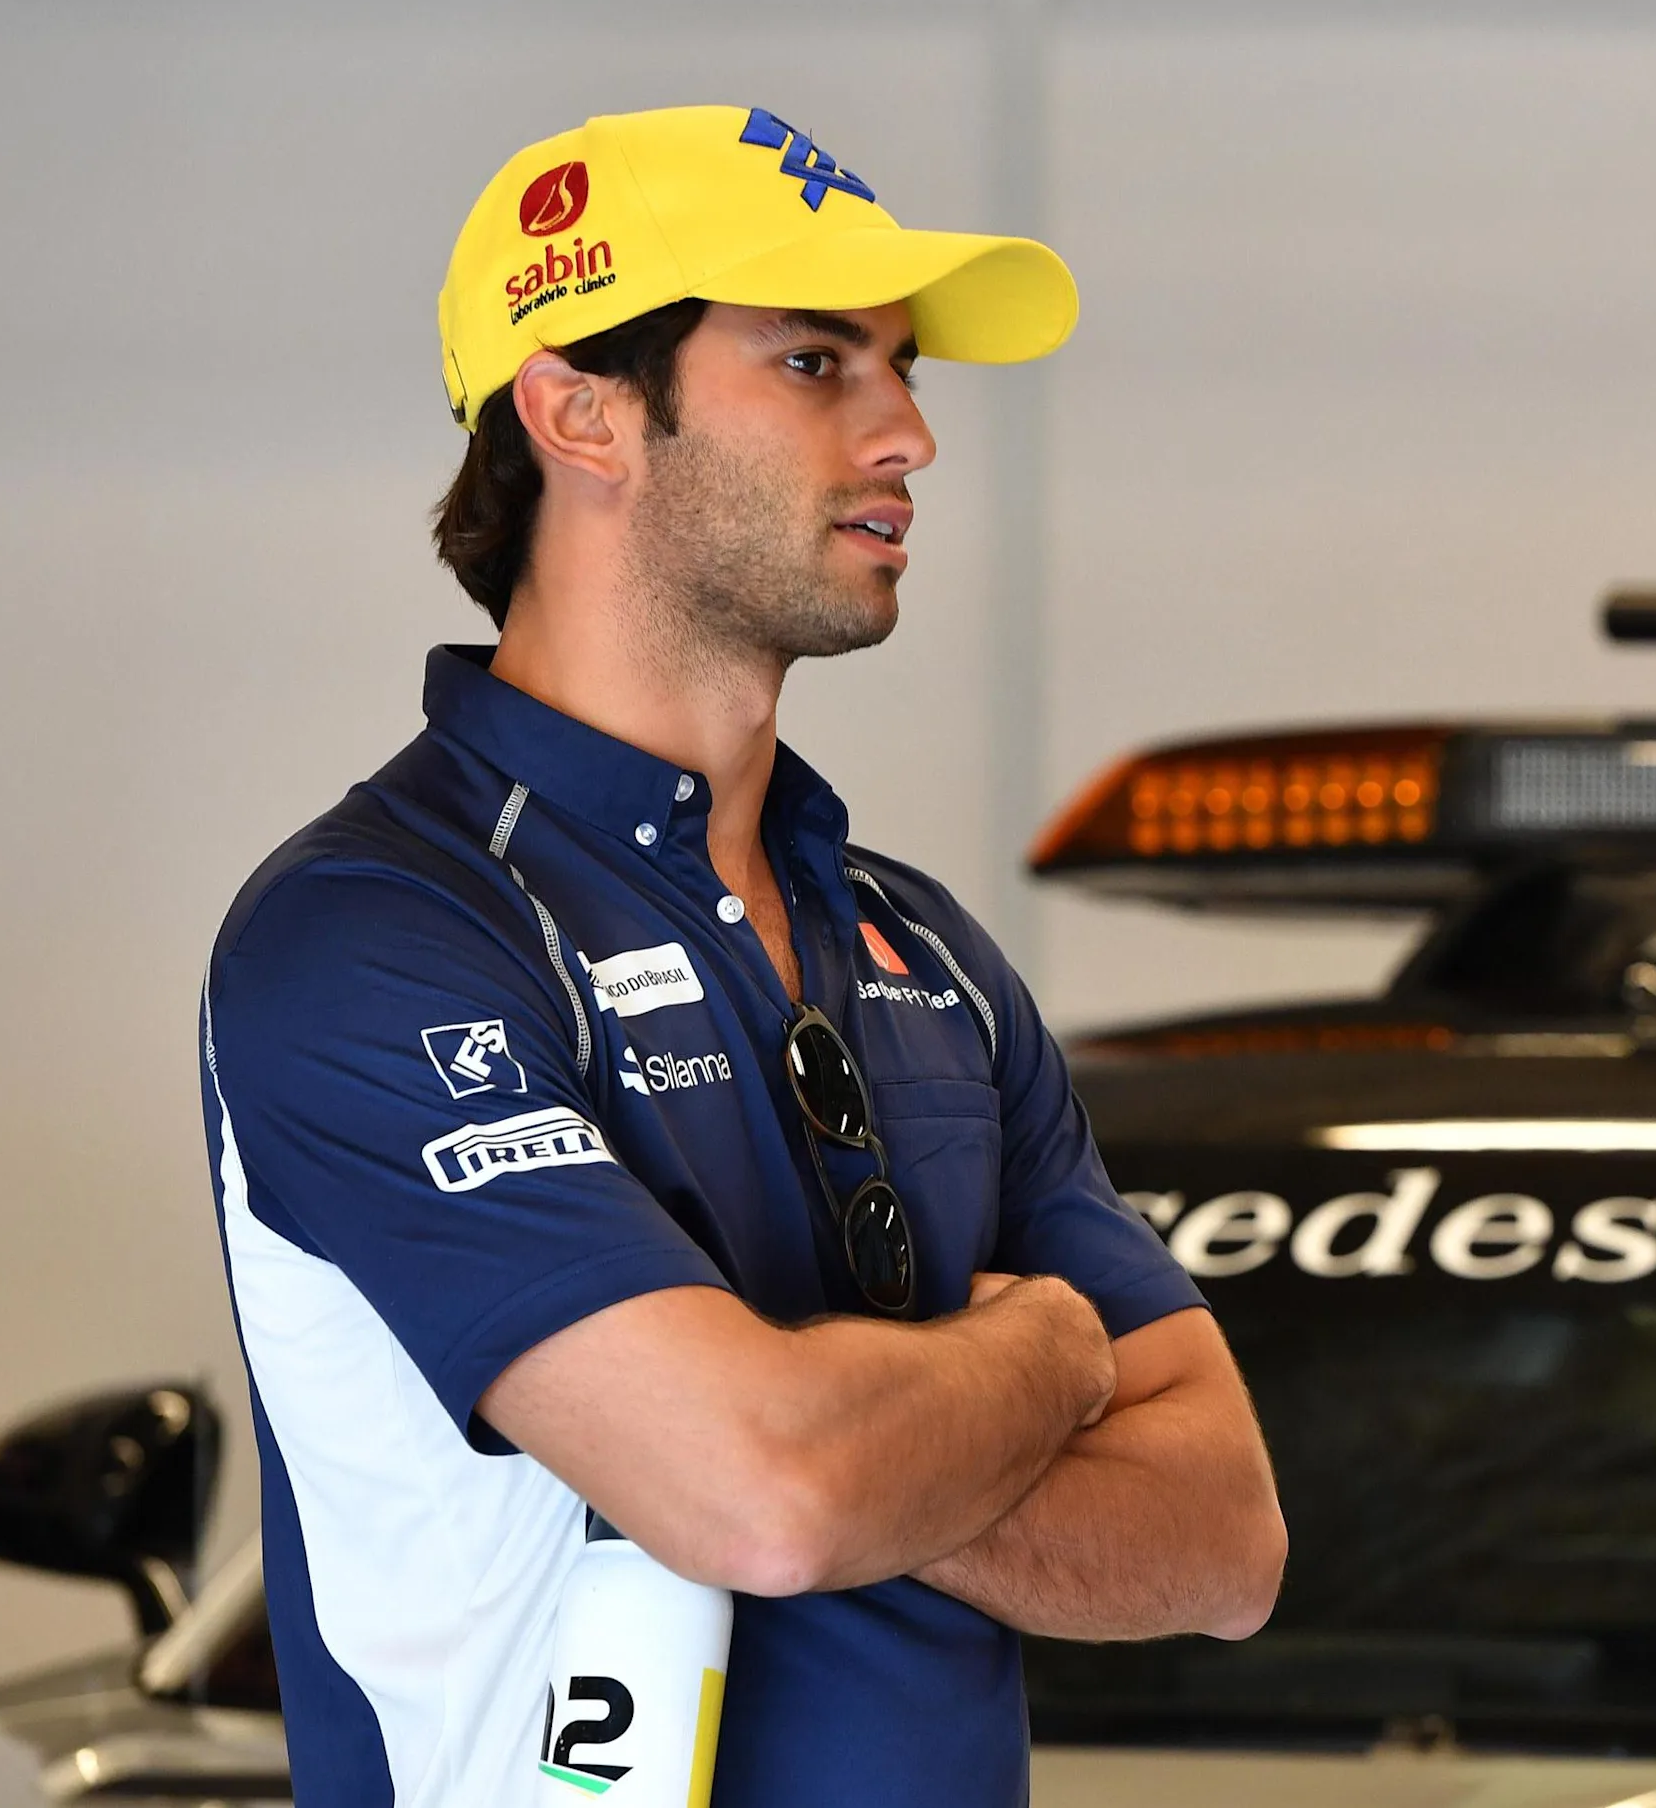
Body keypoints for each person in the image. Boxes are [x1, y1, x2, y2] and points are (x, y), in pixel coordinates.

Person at [198, 105, 1285, 1806]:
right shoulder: (374, 934)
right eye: (813, 362)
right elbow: (758, 1499)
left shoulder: (923, 944)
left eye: (904, 369)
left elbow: (1222, 1541)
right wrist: (1048, 1355)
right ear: (581, 411)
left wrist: (848, 1441)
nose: (912, 432)